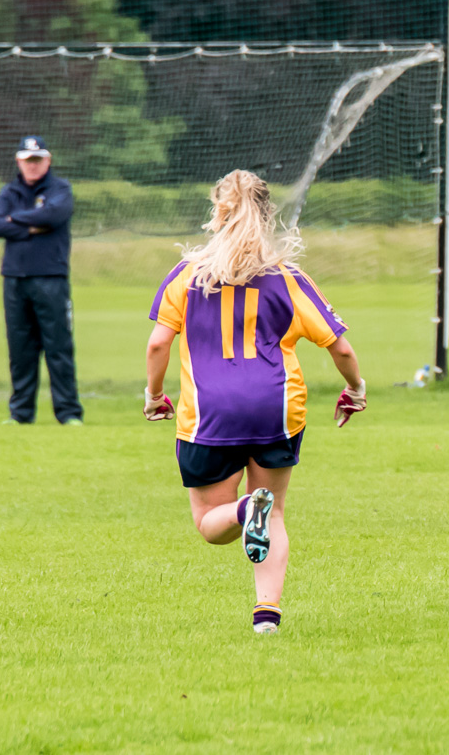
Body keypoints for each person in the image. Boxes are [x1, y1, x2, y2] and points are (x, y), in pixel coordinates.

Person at [144, 170, 368, 634]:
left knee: (210, 522)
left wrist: (154, 395)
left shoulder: (187, 276)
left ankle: (247, 510)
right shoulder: (288, 278)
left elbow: (157, 345)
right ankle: (266, 613)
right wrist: (355, 388)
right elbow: (340, 347)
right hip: (277, 410)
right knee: (277, 510)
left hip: (210, 416)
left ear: (216, 212)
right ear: (267, 214)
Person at [0, 135, 83, 425]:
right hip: (15, 280)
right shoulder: (10, 191)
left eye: (38, 159)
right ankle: (21, 414)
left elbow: (54, 215)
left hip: (50, 278)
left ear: (48, 160)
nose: (33, 165)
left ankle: (68, 414)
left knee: (58, 347)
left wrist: (13, 221)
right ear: (19, 161)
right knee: (20, 349)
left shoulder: (60, 189)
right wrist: (32, 225)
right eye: (28, 160)